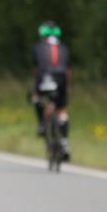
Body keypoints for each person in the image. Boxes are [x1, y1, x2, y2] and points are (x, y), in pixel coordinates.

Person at [32, 20, 71, 160]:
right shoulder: (64, 48)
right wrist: (67, 87)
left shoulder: (38, 47)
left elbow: (36, 69)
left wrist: (34, 88)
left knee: (36, 97)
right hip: (61, 79)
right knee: (61, 110)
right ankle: (65, 142)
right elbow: (68, 70)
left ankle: (42, 124)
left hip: (44, 77)